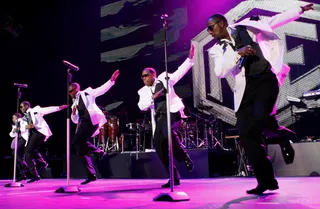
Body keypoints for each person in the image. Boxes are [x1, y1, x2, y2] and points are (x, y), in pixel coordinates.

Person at [207, 4, 314, 194]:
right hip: (245, 89)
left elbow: (274, 21)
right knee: (247, 135)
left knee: (261, 117)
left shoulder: (246, 27)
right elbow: (221, 72)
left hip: (265, 79)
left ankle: (284, 137)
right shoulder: (216, 50)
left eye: (211, 27)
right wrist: (237, 53)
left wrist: (298, 10)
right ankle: (266, 181)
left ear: (222, 23)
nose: (209, 31)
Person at [137, 44, 195, 188]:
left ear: (153, 75)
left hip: (173, 113)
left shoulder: (164, 79)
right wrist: (153, 97)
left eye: (146, 75)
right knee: (159, 145)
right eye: (142, 76)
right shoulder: (142, 91)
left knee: (167, 134)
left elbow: (179, 73)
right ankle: (173, 177)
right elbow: (142, 106)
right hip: (160, 117)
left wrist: (189, 59)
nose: (143, 78)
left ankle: (183, 156)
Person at [69, 69, 120, 185]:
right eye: (69, 92)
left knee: (77, 141)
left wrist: (111, 81)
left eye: (71, 90)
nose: (70, 93)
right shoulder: (74, 103)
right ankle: (92, 172)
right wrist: (73, 113)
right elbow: (75, 120)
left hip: (92, 120)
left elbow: (100, 90)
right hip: (84, 123)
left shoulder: (87, 93)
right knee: (79, 145)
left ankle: (98, 153)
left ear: (76, 89)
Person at [20, 101, 68, 183]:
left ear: (27, 105)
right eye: (20, 107)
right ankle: (43, 163)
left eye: (22, 106)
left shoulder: (35, 110)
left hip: (41, 132)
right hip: (35, 133)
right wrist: (24, 127)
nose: (21, 109)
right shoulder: (24, 117)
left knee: (28, 151)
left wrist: (58, 107)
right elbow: (23, 126)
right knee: (32, 150)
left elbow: (47, 109)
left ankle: (35, 175)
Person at [9, 113, 29, 181]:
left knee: (15, 152)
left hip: (24, 139)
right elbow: (11, 135)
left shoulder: (22, 121)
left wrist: (19, 128)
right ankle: (23, 175)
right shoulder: (14, 125)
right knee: (18, 157)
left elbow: (26, 128)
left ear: (17, 117)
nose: (12, 119)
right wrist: (14, 131)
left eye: (13, 117)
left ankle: (24, 165)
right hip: (18, 140)